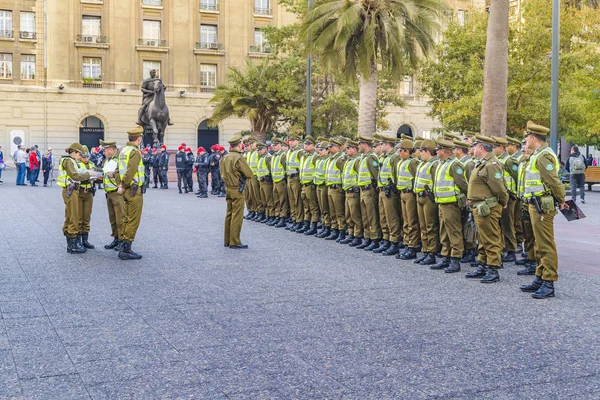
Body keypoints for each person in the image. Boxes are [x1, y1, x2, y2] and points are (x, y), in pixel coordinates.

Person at [520, 121, 566, 299]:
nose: (525, 143)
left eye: (527, 139)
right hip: (535, 204)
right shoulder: (537, 155)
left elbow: (554, 181)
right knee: (539, 244)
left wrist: (561, 199)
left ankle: (549, 282)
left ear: (533, 138)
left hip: (542, 206)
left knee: (545, 244)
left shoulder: (543, 156)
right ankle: (540, 276)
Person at [465, 135, 509, 282]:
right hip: (479, 206)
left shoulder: (491, 164)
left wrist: (503, 202)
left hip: (488, 207)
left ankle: (493, 268)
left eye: (475, 146)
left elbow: (499, 188)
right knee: (482, 239)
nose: (473, 149)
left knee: (490, 238)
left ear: (481, 148)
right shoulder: (483, 163)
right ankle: (483, 264)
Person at [431, 139, 468, 272]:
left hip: (451, 204)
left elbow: (463, 184)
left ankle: (455, 259)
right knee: (444, 232)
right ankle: (446, 256)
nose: (436, 151)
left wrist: (467, 198)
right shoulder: (442, 163)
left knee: (453, 232)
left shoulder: (454, 164)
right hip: (442, 202)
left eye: (438, 149)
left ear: (444, 150)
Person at [58, 142, 96, 254]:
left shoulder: (70, 160)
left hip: (71, 189)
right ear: (74, 152)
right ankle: (72, 244)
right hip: (71, 190)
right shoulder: (68, 161)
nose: (80, 156)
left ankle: (71, 242)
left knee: (71, 215)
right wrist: (89, 175)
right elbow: (74, 175)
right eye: (79, 154)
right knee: (73, 216)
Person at [117, 126, 146, 260]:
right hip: (133, 189)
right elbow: (131, 170)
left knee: (125, 217)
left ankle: (123, 244)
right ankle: (126, 249)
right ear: (138, 139)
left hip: (125, 189)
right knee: (133, 219)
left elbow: (118, 170)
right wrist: (124, 184)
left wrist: (120, 185)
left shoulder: (123, 151)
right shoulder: (135, 152)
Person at [221, 133, 254, 249]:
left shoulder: (225, 157)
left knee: (229, 214)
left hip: (228, 188)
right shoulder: (238, 158)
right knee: (237, 215)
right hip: (237, 189)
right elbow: (249, 173)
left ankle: (227, 240)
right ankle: (234, 241)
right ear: (239, 145)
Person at [373, 132, 402, 256]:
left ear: (386, 144)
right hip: (382, 189)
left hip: (389, 190)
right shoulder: (383, 157)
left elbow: (396, 174)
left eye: (381, 144)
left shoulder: (393, 157)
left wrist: (393, 188)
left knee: (392, 217)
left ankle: (394, 241)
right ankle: (386, 239)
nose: (380, 146)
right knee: (383, 216)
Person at [413, 139, 440, 266]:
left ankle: (431, 252)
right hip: (420, 196)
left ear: (428, 151)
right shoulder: (422, 163)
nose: (420, 153)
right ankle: (425, 250)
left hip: (429, 198)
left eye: (422, 151)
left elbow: (436, 182)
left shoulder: (433, 164)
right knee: (423, 226)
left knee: (430, 226)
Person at [395, 138, 421, 260]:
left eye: (401, 150)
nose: (399, 153)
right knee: (405, 221)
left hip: (410, 194)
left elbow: (417, 177)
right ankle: (407, 243)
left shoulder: (412, 162)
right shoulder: (401, 162)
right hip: (402, 193)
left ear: (406, 151)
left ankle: (412, 246)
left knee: (411, 221)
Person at [356, 135, 381, 250]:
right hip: (363, 190)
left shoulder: (371, 157)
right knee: (365, 215)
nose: (358, 146)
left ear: (365, 144)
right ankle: (367, 237)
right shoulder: (363, 157)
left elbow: (376, 175)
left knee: (371, 216)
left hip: (369, 190)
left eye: (359, 144)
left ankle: (374, 238)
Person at [100, 140, 125, 251]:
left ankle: (122, 240)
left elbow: (124, 173)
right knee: (113, 218)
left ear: (110, 150)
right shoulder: (107, 160)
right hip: (109, 193)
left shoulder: (119, 159)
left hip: (117, 192)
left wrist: (114, 174)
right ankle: (116, 238)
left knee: (120, 218)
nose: (103, 152)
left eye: (105, 150)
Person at [324, 138, 347, 242]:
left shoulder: (340, 159)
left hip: (337, 188)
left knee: (339, 212)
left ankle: (341, 231)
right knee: (332, 211)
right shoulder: (331, 158)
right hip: (330, 187)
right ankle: (334, 230)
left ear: (337, 147)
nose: (329, 148)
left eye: (331, 147)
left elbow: (344, 173)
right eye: (328, 147)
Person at [340, 139, 362, 245]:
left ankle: (357, 236)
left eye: (348, 148)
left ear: (354, 149)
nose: (346, 150)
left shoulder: (357, 160)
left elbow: (359, 175)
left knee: (355, 215)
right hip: (347, 191)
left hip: (354, 191)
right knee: (348, 215)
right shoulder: (348, 160)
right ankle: (351, 233)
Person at [297, 136, 319, 234]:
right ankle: (306, 224)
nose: (306, 146)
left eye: (308, 144)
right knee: (306, 207)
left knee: (313, 207)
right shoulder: (304, 156)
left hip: (310, 185)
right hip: (304, 185)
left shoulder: (315, 156)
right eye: (305, 144)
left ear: (313, 146)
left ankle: (313, 226)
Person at [285, 133, 305, 231]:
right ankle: (294, 219)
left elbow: (303, 166)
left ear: (297, 141)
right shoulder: (289, 152)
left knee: (297, 200)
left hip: (296, 178)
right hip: (289, 177)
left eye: (293, 140)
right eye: (290, 140)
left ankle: (299, 221)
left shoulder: (299, 152)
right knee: (292, 200)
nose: (291, 142)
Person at [270, 138, 289, 228]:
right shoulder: (274, 155)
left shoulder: (282, 155)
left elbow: (286, 168)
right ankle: (277, 216)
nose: (274, 147)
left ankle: (282, 217)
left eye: (276, 145)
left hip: (281, 181)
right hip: (275, 181)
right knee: (276, 200)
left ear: (281, 146)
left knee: (282, 200)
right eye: (273, 145)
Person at [255, 142, 273, 222]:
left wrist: (269, 177)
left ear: (265, 149)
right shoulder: (261, 157)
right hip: (261, 181)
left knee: (269, 200)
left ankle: (271, 216)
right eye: (258, 150)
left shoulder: (268, 157)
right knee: (264, 200)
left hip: (266, 181)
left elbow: (270, 169)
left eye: (260, 150)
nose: (258, 151)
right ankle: (267, 215)